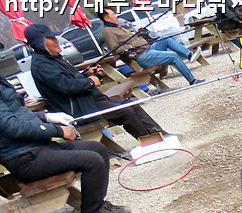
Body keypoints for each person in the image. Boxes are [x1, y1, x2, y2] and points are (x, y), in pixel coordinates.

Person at [0, 76, 131, 213]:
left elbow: (19, 113)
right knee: (92, 160)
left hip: (40, 148)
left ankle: (97, 204)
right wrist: (58, 131)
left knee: (98, 148)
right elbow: (12, 126)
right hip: (25, 158)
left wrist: (46, 116)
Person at [25, 23, 170, 141]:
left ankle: (160, 134)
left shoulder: (54, 58)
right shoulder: (42, 64)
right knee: (125, 111)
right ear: (40, 43)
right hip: (80, 109)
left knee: (131, 103)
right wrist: (90, 82)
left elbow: (70, 79)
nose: (57, 41)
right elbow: (66, 86)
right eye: (51, 38)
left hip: (89, 100)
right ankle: (150, 142)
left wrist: (89, 74)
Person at [97, 8, 204, 86]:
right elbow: (114, 49)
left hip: (148, 49)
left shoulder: (116, 27)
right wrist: (128, 46)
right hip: (142, 56)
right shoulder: (108, 31)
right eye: (113, 14)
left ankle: (189, 55)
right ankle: (192, 80)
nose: (116, 16)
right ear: (106, 18)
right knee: (173, 56)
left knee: (165, 38)